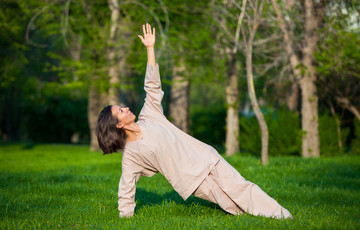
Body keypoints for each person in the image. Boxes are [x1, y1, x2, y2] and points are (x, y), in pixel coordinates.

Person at [96, 23, 292, 219]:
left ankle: (282, 216)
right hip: (193, 182)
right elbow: (127, 186)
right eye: (121, 111)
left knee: (240, 188)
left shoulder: (149, 115)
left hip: (207, 158)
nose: (127, 108)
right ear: (119, 125)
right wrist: (125, 217)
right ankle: (256, 220)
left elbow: (152, 86)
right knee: (232, 206)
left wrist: (150, 49)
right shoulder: (132, 155)